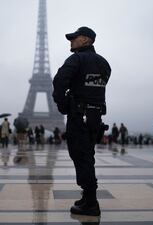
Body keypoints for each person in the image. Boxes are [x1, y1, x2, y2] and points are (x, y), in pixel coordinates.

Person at [52, 26, 111, 216]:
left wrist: (63, 105)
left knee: (80, 156)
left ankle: (91, 203)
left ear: (86, 40)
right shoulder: (104, 63)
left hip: (79, 115)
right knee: (88, 156)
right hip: (95, 118)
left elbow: (59, 81)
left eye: (75, 38)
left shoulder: (76, 59)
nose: (71, 41)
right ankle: (88, 196)